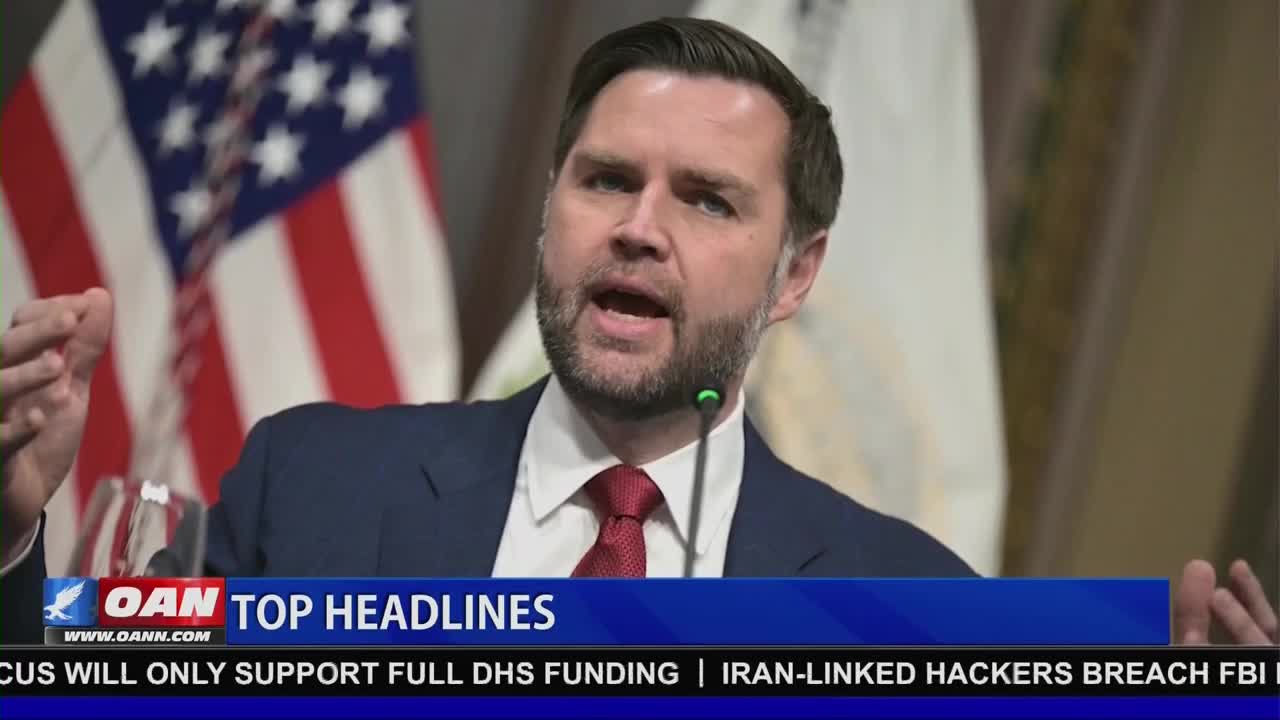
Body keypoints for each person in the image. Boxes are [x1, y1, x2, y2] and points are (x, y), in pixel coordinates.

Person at [1, 18, 1274, 646]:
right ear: (551, 206)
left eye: (707, 200)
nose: (637, 228)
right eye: (606, 180)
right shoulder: (314, 482)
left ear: (794, 273)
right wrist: (11, 539)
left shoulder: (903, 605)